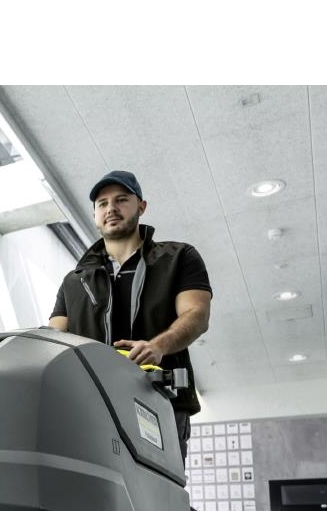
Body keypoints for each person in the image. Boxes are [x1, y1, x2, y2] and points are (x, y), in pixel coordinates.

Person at [48, 170, 212, 460]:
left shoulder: (178, 257)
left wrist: (158, 346)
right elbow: (53, 340)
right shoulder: (74, 281)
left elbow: (196, 314)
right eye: (102, 203)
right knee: (98, 485)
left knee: (157, 484)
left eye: (121, 199)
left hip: (160, 401)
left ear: (141, 206)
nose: (111, 208)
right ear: (95, 215)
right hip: (94, 406)